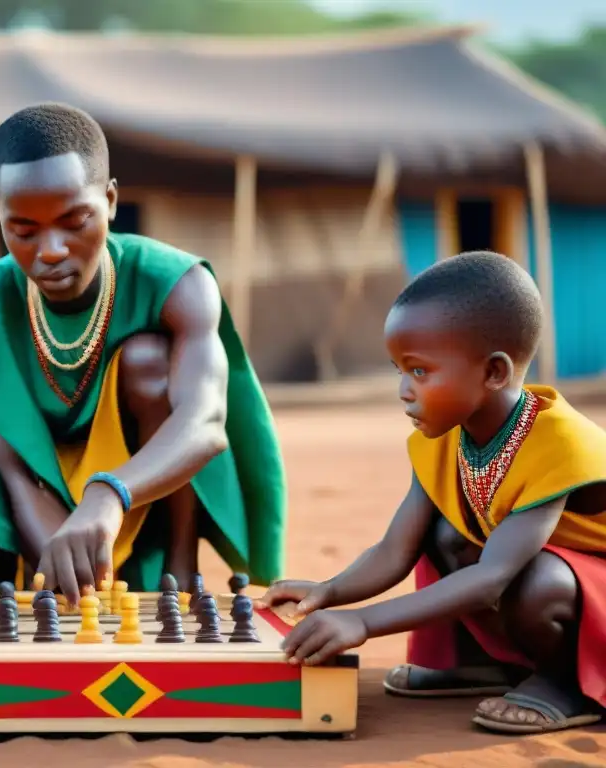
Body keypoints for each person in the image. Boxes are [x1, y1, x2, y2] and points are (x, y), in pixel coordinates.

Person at [0, 102, 287, 604]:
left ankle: (177, 565)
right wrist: (62, 576)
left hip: (139, 470)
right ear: (0, 217)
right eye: (23, 230)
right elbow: (16, 474)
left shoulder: (176, 282)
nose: (53, 249)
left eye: (74, 220)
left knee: (150, 362)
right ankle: (28, 566)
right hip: (33, 475)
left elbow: (205, 423)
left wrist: (109, 493)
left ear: (109, 199)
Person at [258, 251, 606, 735]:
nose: (403, 389)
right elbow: (394, 549)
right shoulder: (448, 436)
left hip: (592, 597)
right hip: (518, 574)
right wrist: (330, 591)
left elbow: (492, 578)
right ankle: (476, 662)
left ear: (494, 373)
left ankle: (565, 684)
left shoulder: (560, 442)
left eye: (419, 371)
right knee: (444, 530)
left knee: (537, 578)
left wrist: (362, 622)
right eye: (399, 369)